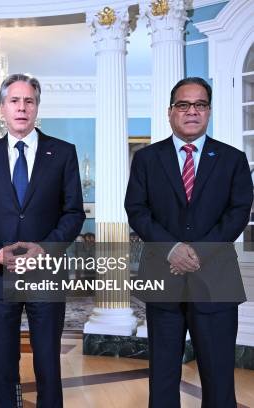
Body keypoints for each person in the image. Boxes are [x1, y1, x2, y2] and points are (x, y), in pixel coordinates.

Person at [125, 77, 253, 407]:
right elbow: (137, 210)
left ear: (208, 111)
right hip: (163, 278)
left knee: (219, 375)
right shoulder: (146, 159)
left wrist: (198, 253)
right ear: (171, 112)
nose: (191, 111)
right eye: (183, 104)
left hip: (216, 280)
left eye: (199, 104)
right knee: (163, 375)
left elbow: (237, 213)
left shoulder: (232, 159)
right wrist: (172, 249)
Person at [0, 73, 85, 407]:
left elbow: (74, 213)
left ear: (37, 107)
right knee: (2, 362)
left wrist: (44, 247)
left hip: (46, 273)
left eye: (28, 101)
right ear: (2, 108)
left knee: (47, 360)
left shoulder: (62, 153)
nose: (21, 107)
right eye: (14, 101)